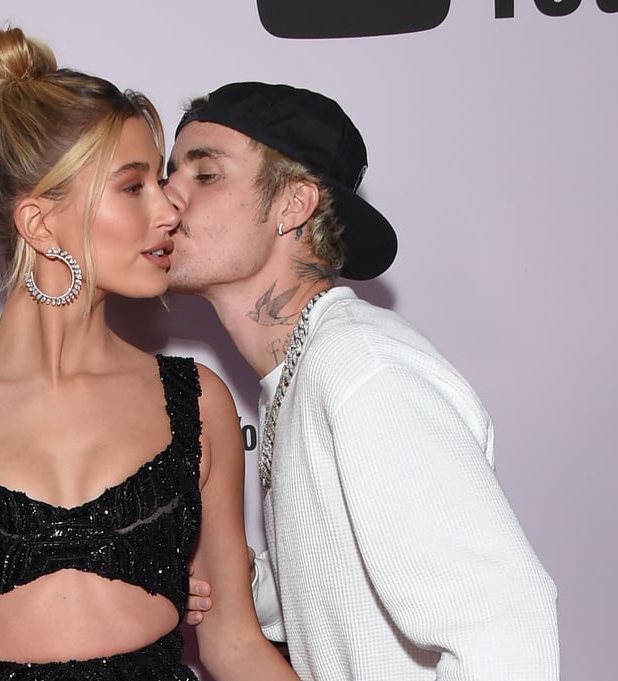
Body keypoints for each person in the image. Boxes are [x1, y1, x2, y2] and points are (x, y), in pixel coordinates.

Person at [0, 32, 299, 681]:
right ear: (39, 223)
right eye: (133, 186)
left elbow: (233, 642)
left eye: (163, 180)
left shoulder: (197, 401)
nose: (170, 206)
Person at [164, 82, 561, 680]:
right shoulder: (305, 370)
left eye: (205, 174)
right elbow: (344, 596)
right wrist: (237, 577)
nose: (168, 199)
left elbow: (502, 630)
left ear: (293, 205)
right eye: (172, 175)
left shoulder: (359, 364)